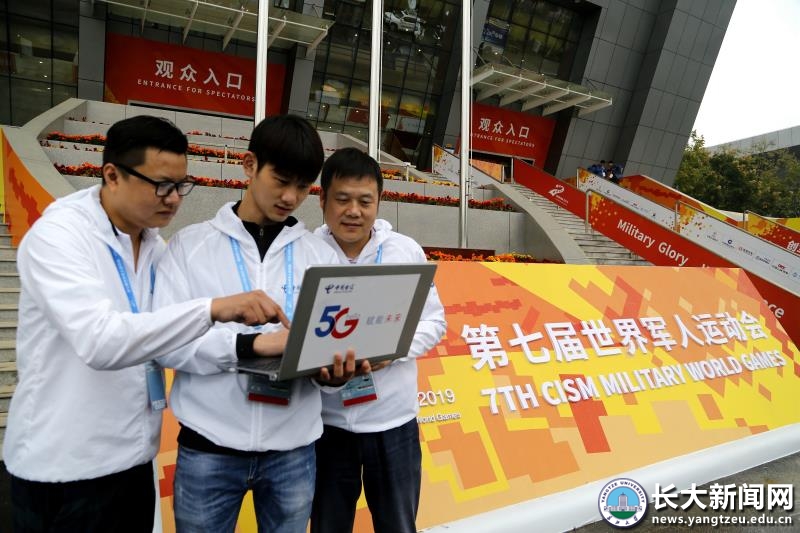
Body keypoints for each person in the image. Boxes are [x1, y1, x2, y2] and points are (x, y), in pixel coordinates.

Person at [3, 114, 288, 533]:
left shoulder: (155, 245)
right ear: (112, 175)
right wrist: (211, 309)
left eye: (181, 186)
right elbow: (100, 342)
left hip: (133, 460)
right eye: (161, 185)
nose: (173, 199)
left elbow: (168, 338)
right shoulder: (59, 237)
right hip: (63, 467)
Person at [153, 114, 355, 533]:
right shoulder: (190, 246)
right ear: (249, 165)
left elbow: (328, 344)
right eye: (281, 180)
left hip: (294, 452)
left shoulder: (321, 258)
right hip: (208, 448)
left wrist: (333, 377)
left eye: (303, 186)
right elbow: (168, 343)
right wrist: (247, 347)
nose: (290, 197)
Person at [310, 147, 447, 533]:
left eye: (365, 201)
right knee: (328, 525)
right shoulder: (304, 254)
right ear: (322, 200)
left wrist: (393, 350)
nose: (353, 211)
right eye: (342, 199)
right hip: (325, 424)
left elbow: (434, 322)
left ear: (379, 202)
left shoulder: (404, 251)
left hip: (393, 422)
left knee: (397, 524)